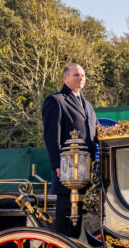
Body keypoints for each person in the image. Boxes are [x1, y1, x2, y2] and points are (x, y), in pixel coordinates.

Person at [42, 63, 98, 238]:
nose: (80, 78)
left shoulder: (88, 105)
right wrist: (57, 165)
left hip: (86, 171)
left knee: (77, 220)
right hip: (67, 173)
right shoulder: (56, 100)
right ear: (65, 78)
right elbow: (52, 136)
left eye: (82, 75)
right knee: (65, 221)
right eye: (76, 75)